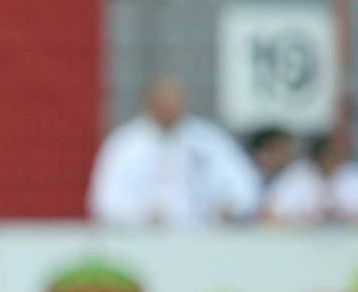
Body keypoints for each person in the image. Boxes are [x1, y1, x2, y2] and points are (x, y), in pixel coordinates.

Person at [88, 76, 261, 226]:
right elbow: (104, 202)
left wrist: (233, 207)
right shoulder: (124, 144)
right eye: (165, 100)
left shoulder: (209, 140)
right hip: (143, 243)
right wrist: (141, 215)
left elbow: (245, 187)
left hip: (203, 242)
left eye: (177, 99)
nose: (172, 105)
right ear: (150, 102)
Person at [262, 133, 358, 224]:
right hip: (301, 243)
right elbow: (269, 214)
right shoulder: (297, 175)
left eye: (334, 155)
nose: (330, 160)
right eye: (326, 155)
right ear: (317, 156)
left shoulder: (357, 175)